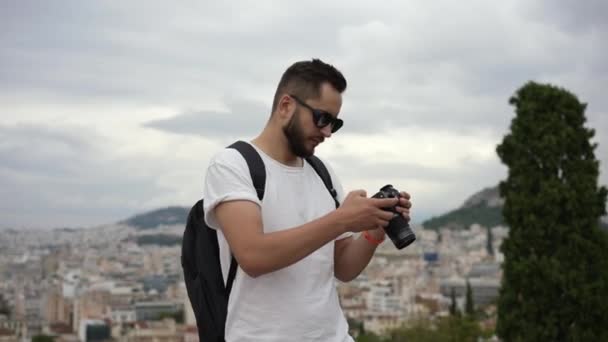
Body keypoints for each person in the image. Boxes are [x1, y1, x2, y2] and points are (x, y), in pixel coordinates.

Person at [202, 58, 412, 342]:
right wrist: (341, 221)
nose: (327, 133)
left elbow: (344, 268)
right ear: (286, 106)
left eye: (334, 124)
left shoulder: (322, 173)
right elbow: (253, 256)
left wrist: (375, 229)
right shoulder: (232, 164)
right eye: (322, 118)